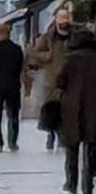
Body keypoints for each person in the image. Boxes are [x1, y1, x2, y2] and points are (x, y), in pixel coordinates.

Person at [57, 29, 96, 194]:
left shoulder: (70, 59)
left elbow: (60, 81)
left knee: (72, 147)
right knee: (92, 145)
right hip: (94, 106)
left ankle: (71, 183)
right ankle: (88, 183)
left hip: (72, 106)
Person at [32, 8, 78, 152]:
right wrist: (48, 56)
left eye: (66, 17)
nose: (64, 21)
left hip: (71, 79)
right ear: (56, 19)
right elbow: (37, 53)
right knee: (52, 109)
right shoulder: (49, 36)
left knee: (67, 110)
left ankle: (62, 137)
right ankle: (51, 134)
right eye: (61, 18)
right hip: (52, 79)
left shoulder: (75, 35)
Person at [0, 24, 25, 153]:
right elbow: (22, 68)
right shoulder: (17, 49)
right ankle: (12, 142)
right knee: (13, 114)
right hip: (13, 84)